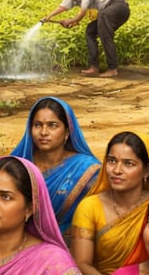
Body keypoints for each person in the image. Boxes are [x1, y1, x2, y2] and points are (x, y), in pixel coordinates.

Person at [71, 131, 149, 275]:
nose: (117, 170)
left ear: (146, 170)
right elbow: (82, 264)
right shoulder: (89, 207)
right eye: (112, 161)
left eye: (128, 164)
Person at [11, 97, 101, 236]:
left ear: (67, 132)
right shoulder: (18, 165)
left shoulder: (86, 169)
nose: (44, 132)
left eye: (52, 125)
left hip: (69, 244)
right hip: (17, 240)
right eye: (38, 125)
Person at [42, 0, 132, 78]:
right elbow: (62, 7)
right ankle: (93, 67)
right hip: (113, 10)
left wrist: (73, 20)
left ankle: (112, 69)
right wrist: (48, 17)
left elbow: (83, 11)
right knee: (91, 31)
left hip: (117, 6)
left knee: (105, 34)